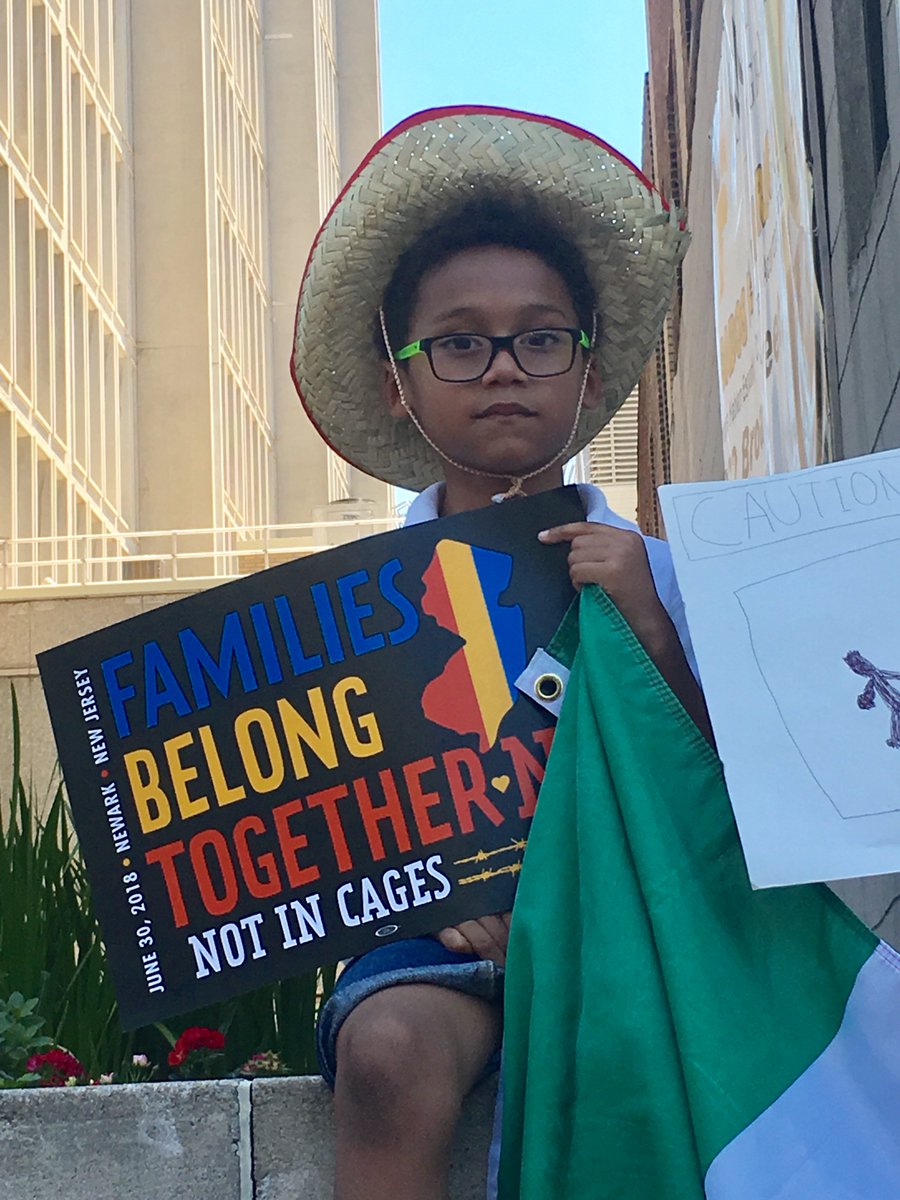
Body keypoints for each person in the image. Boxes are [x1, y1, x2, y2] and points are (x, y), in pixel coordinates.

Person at [291, 106, 708, 1200]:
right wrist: (429, 895)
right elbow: (306, 821)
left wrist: (651, 625)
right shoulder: (344, 611)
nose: (503, 368)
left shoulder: (667, 574)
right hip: (436, 939)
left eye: (540, 336)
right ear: (401, 380)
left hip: (642, 921)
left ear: (584, 363)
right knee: (385, 1054)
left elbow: (732, 794)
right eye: (460, 342)